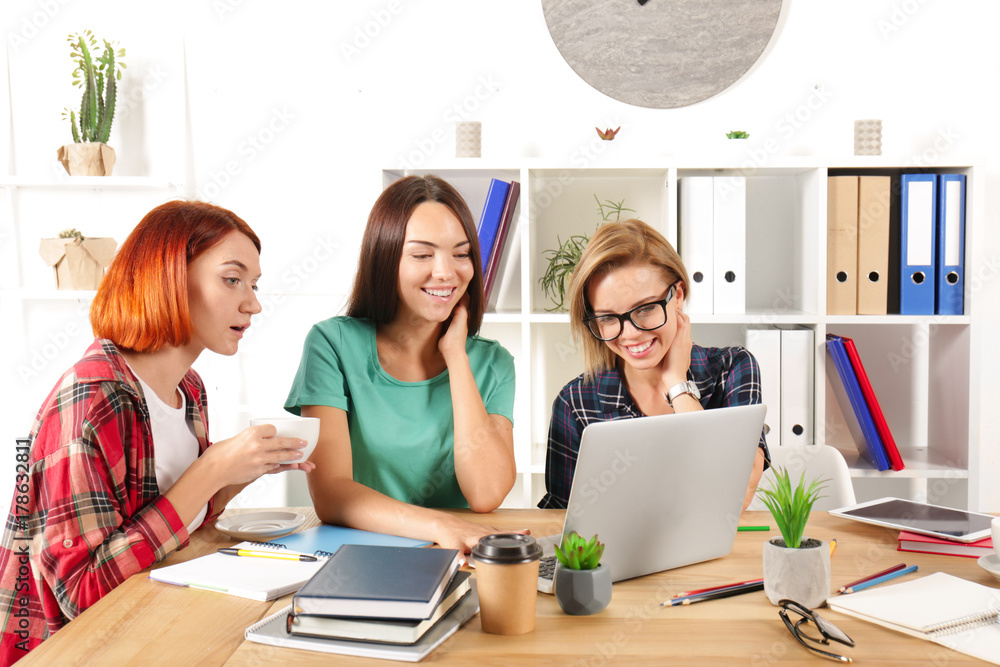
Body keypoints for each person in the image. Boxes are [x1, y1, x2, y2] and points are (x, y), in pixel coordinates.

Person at [0, 201, 315, 664]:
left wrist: (239, 474)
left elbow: (172, 522)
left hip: (149, 623)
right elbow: (81, 595)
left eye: (254, 284)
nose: (254, 303)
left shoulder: (187, 388)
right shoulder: (94, 399)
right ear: (168, 277)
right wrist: (210, 470)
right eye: (232, 279)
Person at [284, 175, 519, 558]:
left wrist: (456, 357)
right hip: (361, 554)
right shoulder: (332, 344)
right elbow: (330, 494)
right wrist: (440, 525)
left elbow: (486, 493)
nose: (446, 272)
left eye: (461, 254)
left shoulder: (492, 362)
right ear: (385, 257)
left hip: (458, 557)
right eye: (422, 255)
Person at [538, 218, 769, 510]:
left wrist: (677, 384)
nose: (631, 334)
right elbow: (563, 518)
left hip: (714, 553)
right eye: (608, 318)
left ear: (678, 296)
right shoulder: (576, 402)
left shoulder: (733, 369)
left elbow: (738, 491)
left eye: (646, 308)